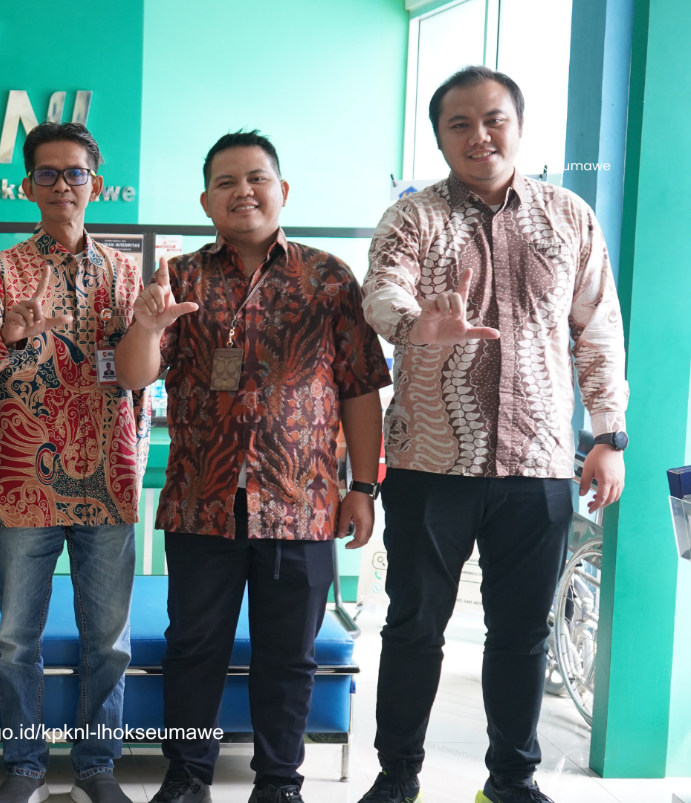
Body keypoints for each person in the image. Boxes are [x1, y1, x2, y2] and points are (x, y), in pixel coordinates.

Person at [358, 67, 628, 803]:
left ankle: (511, 779)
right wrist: (417, 324)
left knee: (522, 633)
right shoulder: (412, 217)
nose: (479, 136)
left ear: (517, 124)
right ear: (440, 137)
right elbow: (380, 291)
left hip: (538, 463)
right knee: (414, 627)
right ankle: (397, 776)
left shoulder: (569, 216)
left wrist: (608, 435)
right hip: (428, 462)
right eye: (460, 124)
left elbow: (598, 328)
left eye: (493, 119)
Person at [114, 131, 391, 803]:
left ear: (281, 189)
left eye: (256, 178)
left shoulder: (329, 278)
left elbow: (359, 388)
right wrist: (146, 327)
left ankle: (278, 782)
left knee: (289, 655)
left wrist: (362, 487)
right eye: (226, 181)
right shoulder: (178, 278)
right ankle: (186, 777)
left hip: (302, 501)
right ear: (206, 200)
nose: (243, 191)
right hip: (200, 501)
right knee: (193, 648)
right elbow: (133, 376)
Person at [0, 122, 147, 803]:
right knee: (15, 639)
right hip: (22, 482)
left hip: (110, 481)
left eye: (74, 173)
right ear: (27, 185)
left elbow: (143, 374)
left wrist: (151, 330)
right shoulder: (0, 271)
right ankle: (25, 765)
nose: (62, 185)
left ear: (96, 182)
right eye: (47, 173)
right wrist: (6, 335)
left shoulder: (126, 272)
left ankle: (96, 767)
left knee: (109, 641)